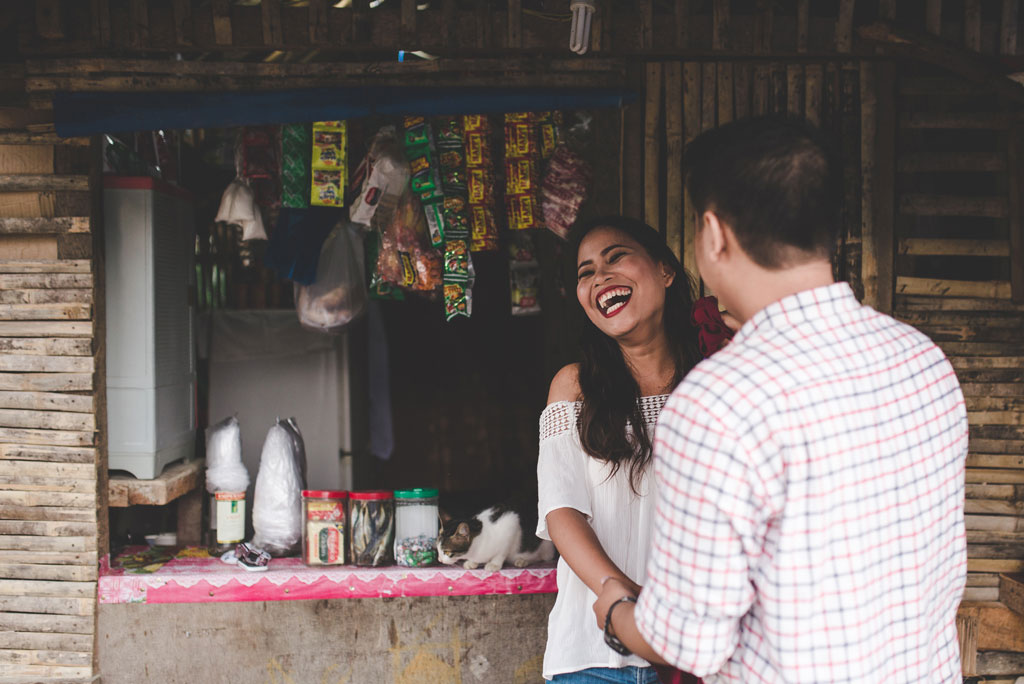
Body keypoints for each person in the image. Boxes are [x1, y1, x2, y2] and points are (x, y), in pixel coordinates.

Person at [593, 116, 969, 683]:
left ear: (714, 235)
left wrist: (616, 614)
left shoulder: (718, 403)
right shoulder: (921, 359)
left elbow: (688, 643)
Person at [537, 215, 715, 684]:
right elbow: (561, 511)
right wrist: (623, 601)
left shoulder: (717, 379)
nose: (600, 277)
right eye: (585, 272)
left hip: (699, 653)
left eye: (616, 257)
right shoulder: (574, 386)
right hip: (593, 656)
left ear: (665, 270)